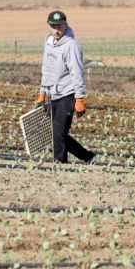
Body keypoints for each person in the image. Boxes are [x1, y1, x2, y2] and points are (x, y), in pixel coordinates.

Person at [36, 10, 97, 164]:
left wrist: (79, 98)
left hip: (67, 94)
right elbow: (46, 69)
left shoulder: (72, 46)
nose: (57, 30)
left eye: (60, 26)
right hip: (52, 94)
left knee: (58, 132)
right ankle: (88, 156)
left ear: (66, 25)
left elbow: (77, 73)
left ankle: (60, 164)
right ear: (49, 26)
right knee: (58, 133)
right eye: (53, 26)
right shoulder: (48, 43)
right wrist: (43, 92)